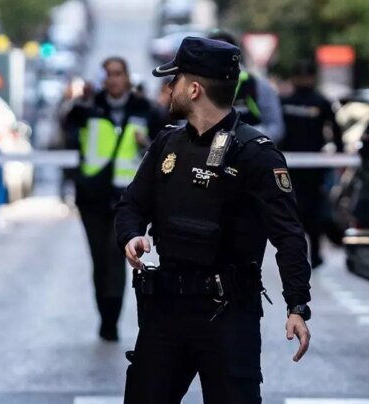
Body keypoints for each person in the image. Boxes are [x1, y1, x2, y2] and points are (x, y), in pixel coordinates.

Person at [115, 37, 312, 403]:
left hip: (228, 316)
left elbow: (288, 235)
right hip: (166, 312)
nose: (167, 88)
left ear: (194, 89)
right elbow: (131, 205)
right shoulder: (167, 145)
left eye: (173, 80)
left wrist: (297, 305)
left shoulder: (256, 154)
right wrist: (131, 236)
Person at [65, 57, 154, 342]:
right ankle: (104, 313)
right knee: (99, 260)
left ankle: (111, 321)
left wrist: (146, 145)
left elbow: (164, 148)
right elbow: (65, 128)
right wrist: (80, 98)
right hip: (92, 196)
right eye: (109, 75)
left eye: (119, 74)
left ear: (128, 77)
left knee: (116, 257)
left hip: (125, 199)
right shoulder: (88, 109)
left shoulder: (145, 109)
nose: (114, 79)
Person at [280, 59, 344, 269]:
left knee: (306, 212)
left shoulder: (319, 102)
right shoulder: (288, 101)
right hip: (294, 166)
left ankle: (312, 254)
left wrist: (339, 154)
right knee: (300, 213)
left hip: (310, 167)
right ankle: (304, 254)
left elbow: (336, 130)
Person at [207, 30, 286, 143]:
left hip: (249, 155)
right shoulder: (198, 86)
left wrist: (245, 141)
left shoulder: (257, 85)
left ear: (236, 55)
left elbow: (276, 128)